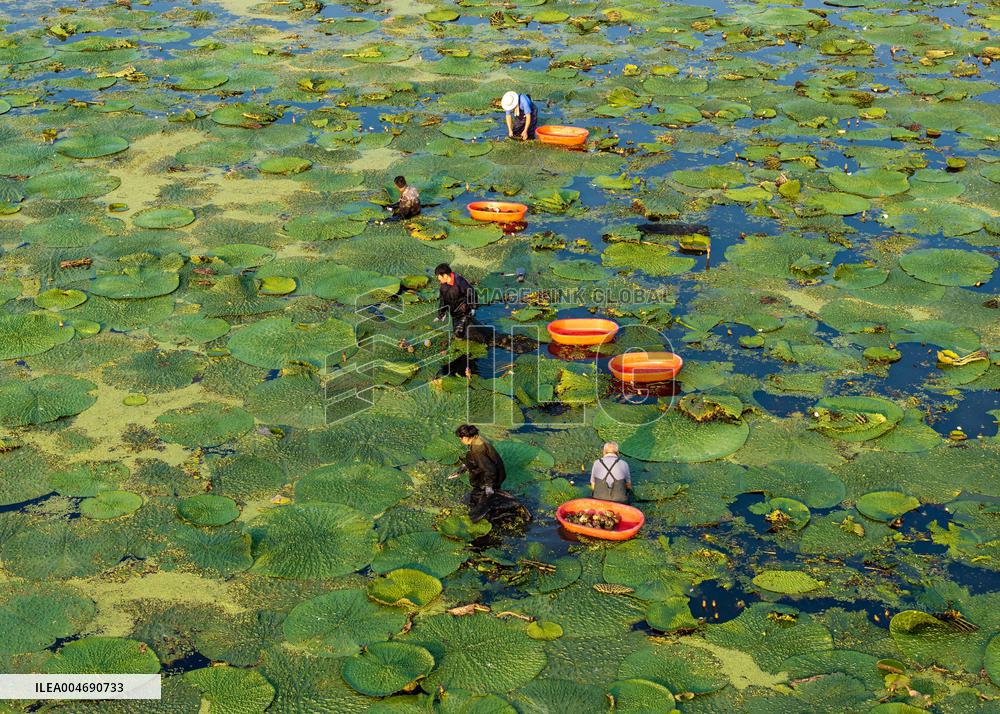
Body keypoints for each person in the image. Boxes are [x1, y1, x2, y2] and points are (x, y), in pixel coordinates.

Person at [452, 424, 507, 522]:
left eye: (460, 438)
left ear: (465, 437)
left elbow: (490, 470)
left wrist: (489, 486)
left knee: (480, 499)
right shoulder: (478, 438)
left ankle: (478, 518)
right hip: (498, 471)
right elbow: (472, 457)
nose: (461, 440)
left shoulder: (478, 449)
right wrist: (464, 467)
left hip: (493, 476)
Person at [434, 263, 477, 338]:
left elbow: (471, 292)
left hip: (464, 312)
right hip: (454, 313)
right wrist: (441, 313)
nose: (438, 278)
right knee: (457, 332)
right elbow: (442, 299)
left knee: (459, 333)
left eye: (439, 276)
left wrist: (473, 307)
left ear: (445, 275)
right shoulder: (443, 285)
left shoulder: (459, 281)